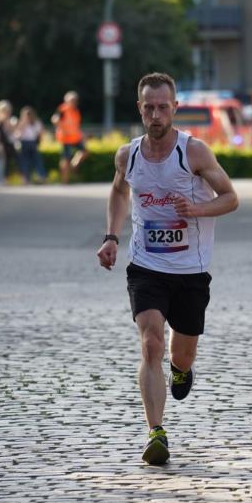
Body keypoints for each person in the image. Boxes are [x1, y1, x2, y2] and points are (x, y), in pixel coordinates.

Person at [96, 72, 238, 465]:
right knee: (151, 343)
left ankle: (180, 369)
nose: (156, 115)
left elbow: (230, 198)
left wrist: (196, 208)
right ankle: (155, 432)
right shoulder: (128, 155)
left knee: (182, 354)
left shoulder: (194, 153)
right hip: (146, 265)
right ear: (139, 109)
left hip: (191, 269)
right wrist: (111, 237)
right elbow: (119, 190)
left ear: (175, 109)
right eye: (149, 108)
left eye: (163, 107)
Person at [52, 91, 88, 185]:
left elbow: (76, 125)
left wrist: (81, 134)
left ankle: (74, 163)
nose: (74, 102)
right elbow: (54, 119)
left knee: (85, 152)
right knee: (65, 159)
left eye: (75, 100)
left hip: (75, 137)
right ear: (66, 101)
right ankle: (65, 181)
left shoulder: (75, 111)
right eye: (72, 100)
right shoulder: (63, 109)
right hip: (66, 138)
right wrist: (61, 128)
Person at [16, 106, 46, 184]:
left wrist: (40, 141)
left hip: (33, 143)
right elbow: (18, 134)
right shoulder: (22, 123)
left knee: (37, 160)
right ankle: (26, 178)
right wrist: (23, 124)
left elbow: (41, 133)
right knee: (25, 162)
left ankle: (41, 176)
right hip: (25, 143)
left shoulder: (36, 123)